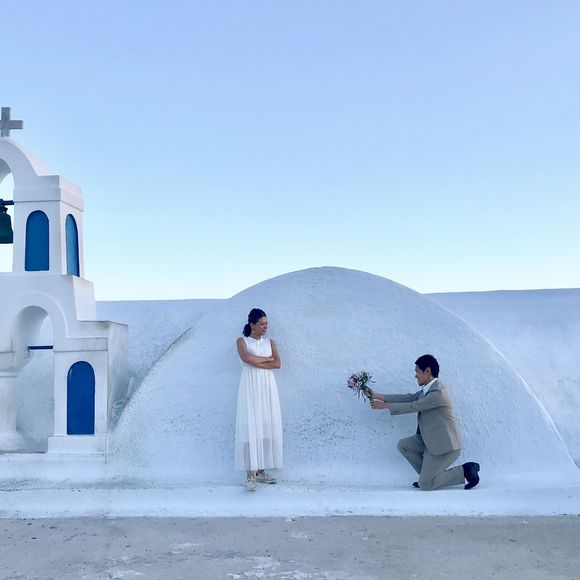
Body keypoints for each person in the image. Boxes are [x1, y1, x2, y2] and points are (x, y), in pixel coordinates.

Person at [367, 354, 480, 491]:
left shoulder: (438, 393)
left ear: (427, 371)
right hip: (430, 441)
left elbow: (414, 406)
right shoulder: (427, 390)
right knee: (404, 445)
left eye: (417, 371)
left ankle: (465, 470)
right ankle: (427, 478)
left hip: (445, 446)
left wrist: (385, 406)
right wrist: (377, 395)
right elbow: (409, 398)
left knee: (425, 485)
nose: (415, 375)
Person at [235, 308, 283, 491]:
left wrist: (260, 360)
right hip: (250, 386)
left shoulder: (270, 342)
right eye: (262, 324)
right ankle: (250, 474)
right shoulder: (242, 341)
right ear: (252, 325)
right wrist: (267, 359)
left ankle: (261, 472)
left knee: (265, 425)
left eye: (266, 324)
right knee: (250, 426)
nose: (265, 327)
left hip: (267, 386)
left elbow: (277, 363)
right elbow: (247, 359)